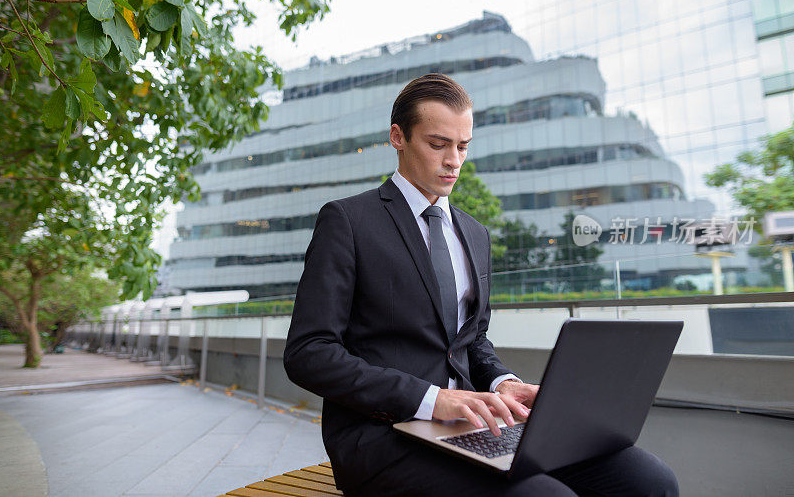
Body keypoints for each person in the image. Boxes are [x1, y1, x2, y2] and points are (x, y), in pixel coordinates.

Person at [284, 73, 678, 496]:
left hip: (473, 425)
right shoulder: (348, 221)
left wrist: (502, 383)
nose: (454, 160)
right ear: (398, 137)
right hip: (385, 438)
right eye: (438, 144)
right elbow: (309, 353)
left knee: (649, 481)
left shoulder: (474, 233)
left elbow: (472, 341)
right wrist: (434, 399)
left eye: (463, 146)